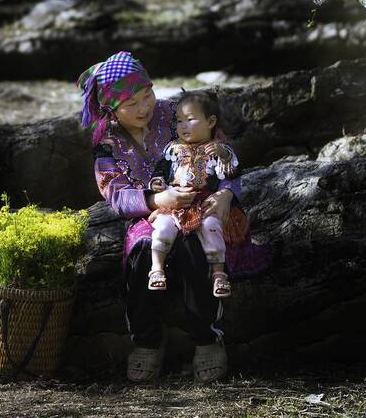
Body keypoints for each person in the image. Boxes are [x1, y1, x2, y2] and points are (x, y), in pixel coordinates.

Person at [77, 50, 241, 384]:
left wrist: (226, 193)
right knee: (142, 253)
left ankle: (207, 338)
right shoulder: (108, 144)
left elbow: (223, 153)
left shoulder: (175, 113)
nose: (144, 107)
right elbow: (116, 195)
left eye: (147, 95)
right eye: (132, 103)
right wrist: (156, 199)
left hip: (199, 206)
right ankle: (147, 340)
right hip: (148, 216)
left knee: (196, 248)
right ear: (111, 108)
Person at [147, 91, 243, 298]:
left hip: (205, 204)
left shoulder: (219, 150)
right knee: (163, 226)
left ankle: (218, 272)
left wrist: (223, 155)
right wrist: (157, 182)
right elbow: (161, 170)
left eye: (190, 119)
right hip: (175, 204)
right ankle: (156, 268)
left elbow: (233, 173)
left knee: (211, 226)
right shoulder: (173, 149)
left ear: (211, 122)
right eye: (179, 121)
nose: (183, 126)